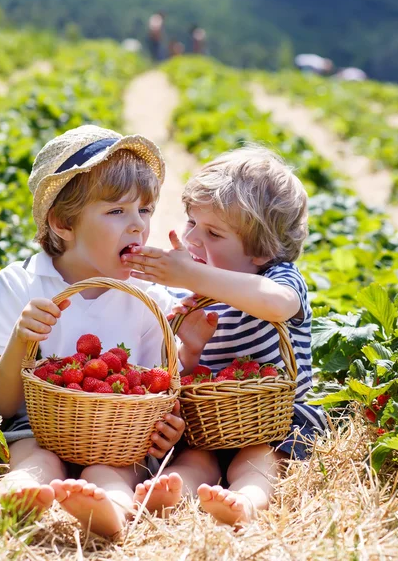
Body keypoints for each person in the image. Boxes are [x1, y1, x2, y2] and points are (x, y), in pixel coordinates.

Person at [0, 125, 217, 538]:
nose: (137, 226)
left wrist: (169, 423)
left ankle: (111, 510)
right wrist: (21, 341)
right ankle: (20, 494)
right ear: (63, 223)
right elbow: (3, 405)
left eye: (145, 210)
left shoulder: (147, 298)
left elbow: (157, 390)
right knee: (33, 457)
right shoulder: (20, 285)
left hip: (120, 437)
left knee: (113, 471)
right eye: (117, 211)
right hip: (38, 427)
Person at [121, 144, 329, 526]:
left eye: (214, 233)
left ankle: (247, 500)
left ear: (262, 251)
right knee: (194, 459)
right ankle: (172, 493)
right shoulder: (192, 298)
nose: (194, 239)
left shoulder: (277, 279)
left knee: (258, 458)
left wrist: (192, 275)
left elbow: (278, 304)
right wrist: (191, 350)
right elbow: (186, 375)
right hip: (210, 425)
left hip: (274, 422)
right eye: (191, 223)